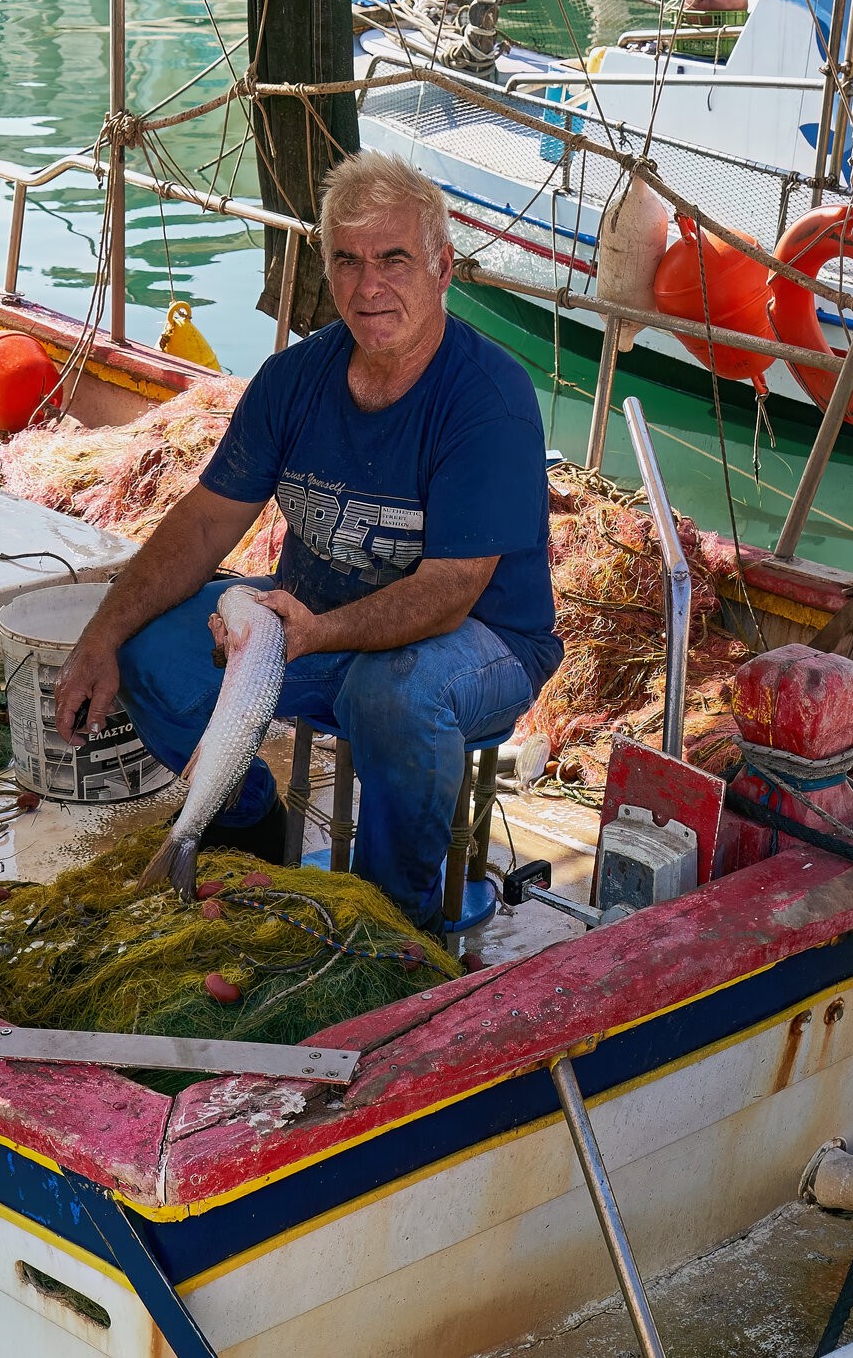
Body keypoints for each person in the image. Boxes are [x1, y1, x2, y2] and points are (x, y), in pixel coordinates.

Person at [52, 151, 561, 930]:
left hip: (478, 641)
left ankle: (393, 916)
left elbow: (450, 590)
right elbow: (204, 521)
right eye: (347, 260)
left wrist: (316, 632)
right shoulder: (294, 379)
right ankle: (244, 814)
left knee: (391, 692)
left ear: (442, 268)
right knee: (149, 650)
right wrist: (101, 634)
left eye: (394, 259)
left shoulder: (487, 397)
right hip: (311, 621)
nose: (368, 286)